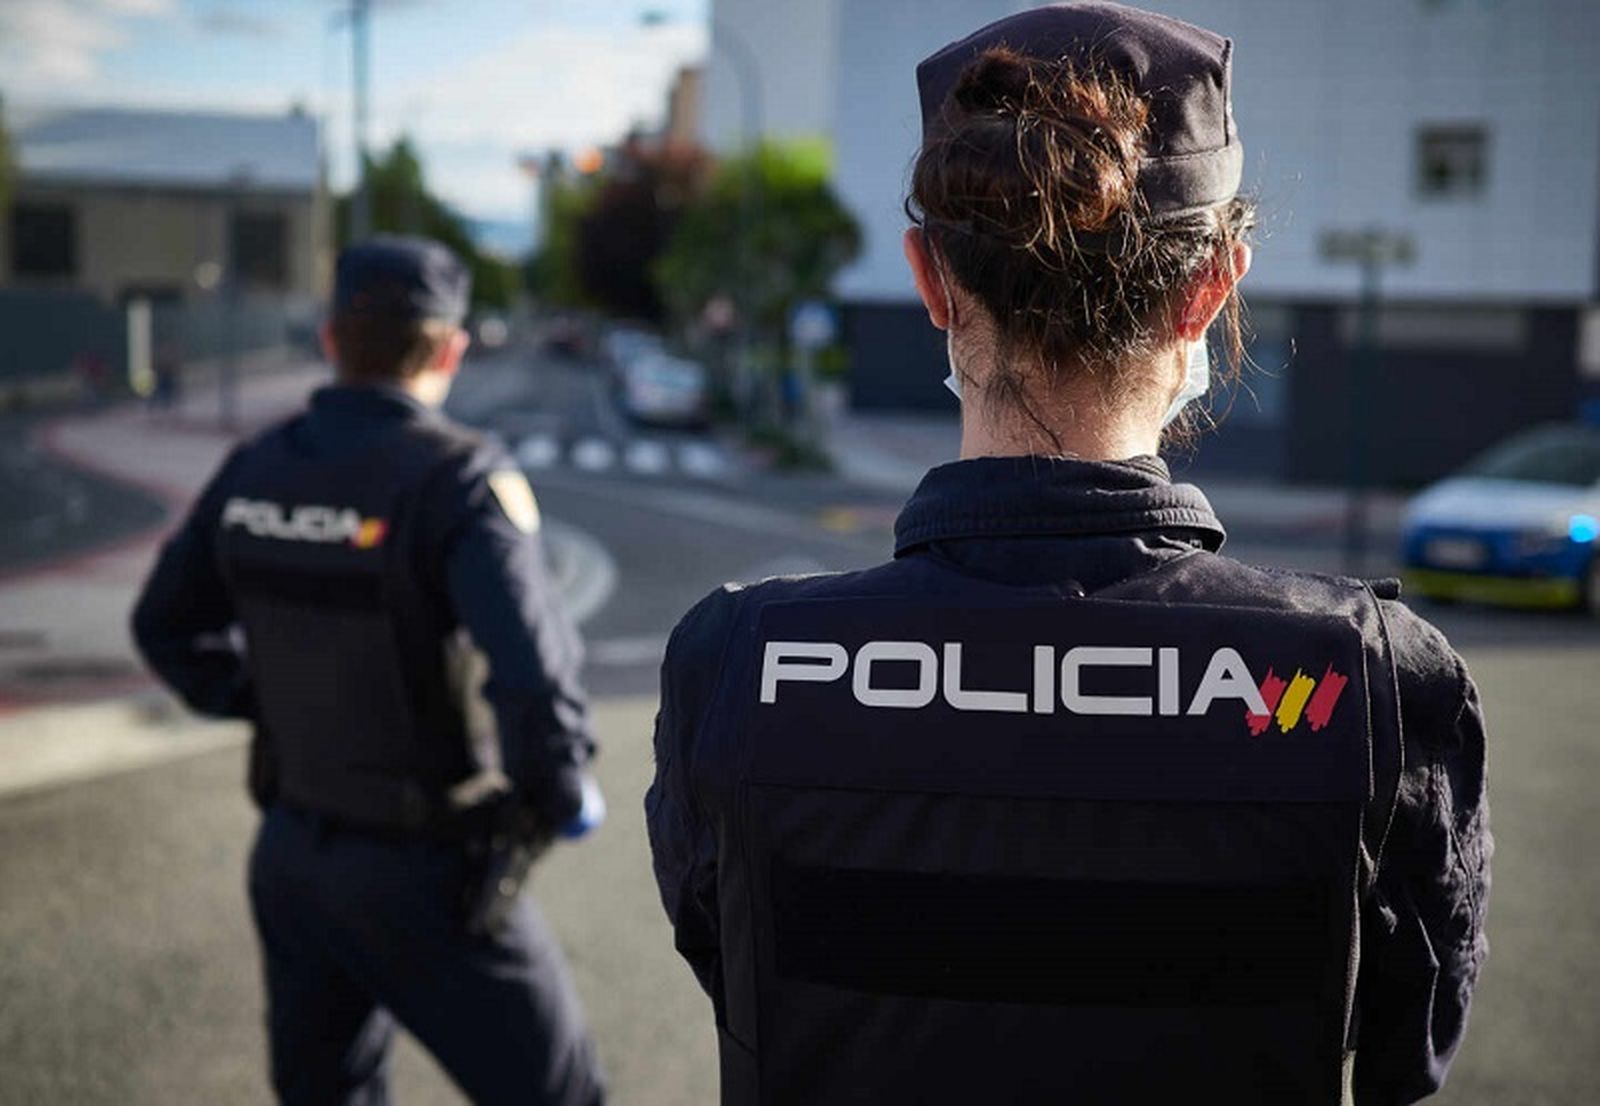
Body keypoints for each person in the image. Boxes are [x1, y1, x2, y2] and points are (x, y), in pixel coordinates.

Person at [646, 5, 1489, 1103]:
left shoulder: (737, 664)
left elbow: (734, 968)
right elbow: (1405, 1049)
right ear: (1212, 286)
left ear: (932, 281)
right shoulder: (1368, 680)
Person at [132, 235, 607, 1106]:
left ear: (331, 338)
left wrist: (271, 703)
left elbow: (164, 627)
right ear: (451, 348)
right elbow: (534, 676)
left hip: (292, 857)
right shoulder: (460, 480)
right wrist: (553, 796)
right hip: (430, 870)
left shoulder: (255, 466)